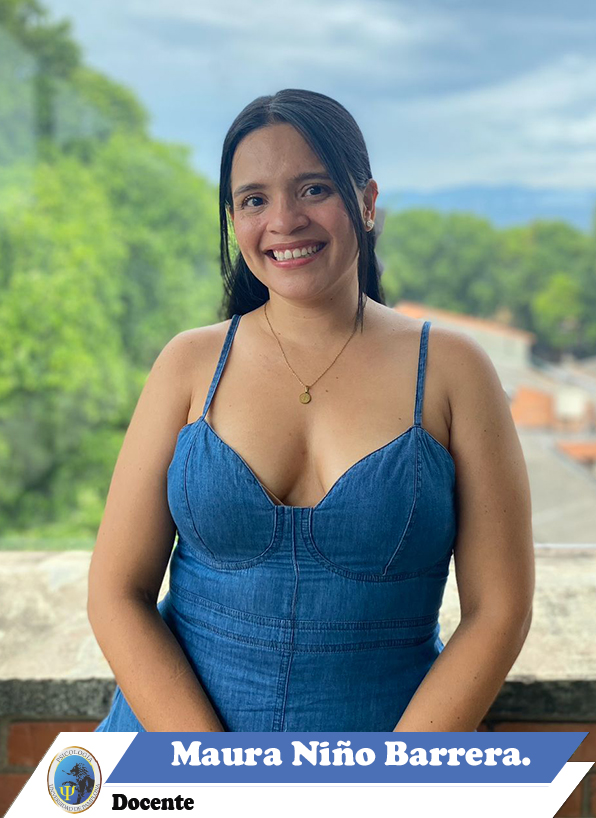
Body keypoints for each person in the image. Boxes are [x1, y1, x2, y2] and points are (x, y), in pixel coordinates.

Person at [89, 88, 534, 733]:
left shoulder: (452, 371)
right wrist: (215, 773)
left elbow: (499, 612)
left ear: (368, 202)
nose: (284, 220)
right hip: (173, 755)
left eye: (314, 189)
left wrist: (392, 777)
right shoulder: (187, 366)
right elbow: (115, 593)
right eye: (254, 200)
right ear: (234, 219)